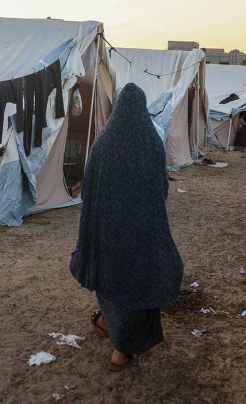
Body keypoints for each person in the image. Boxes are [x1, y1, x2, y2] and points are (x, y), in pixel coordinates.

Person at [69, 83, 184, 372]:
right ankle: (120, 352)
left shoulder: (103, 143)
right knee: (138, 287)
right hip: (143, 235)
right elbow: (161, 189)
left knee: (111, 281)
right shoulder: (151, 143)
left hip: (107, 235)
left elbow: (90, 189)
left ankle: (108, 323)